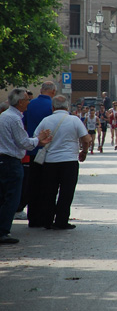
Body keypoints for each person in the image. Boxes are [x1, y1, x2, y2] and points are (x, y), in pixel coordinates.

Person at [0, 88, 52, 244]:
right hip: (11, 161)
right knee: (12, 198)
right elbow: (23, 142)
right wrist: (38, 139)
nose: (29, 102)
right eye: (27, 100)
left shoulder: (4, 116)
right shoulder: (14, 119)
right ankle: (3, 230)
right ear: (20, 102)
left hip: (4, 160)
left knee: (3, 197)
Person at [33, 95, 91, 230]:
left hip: (50, 161)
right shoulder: (74, 120)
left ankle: (47, 220)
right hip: (69, 161)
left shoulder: (46, 120)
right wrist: (84, 152)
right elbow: (86, 139)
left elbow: (36, 138)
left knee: (49, 191)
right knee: (66, 192)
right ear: (67, 107)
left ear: (53, 107)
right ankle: (61, 221)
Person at [21, 81, 56, 224]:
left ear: (41, 90)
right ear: (53, 92)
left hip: (32, 149)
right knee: (48, 185)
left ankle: (33, 217)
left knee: (33, 183)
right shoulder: (52, 106)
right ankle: (45, 216)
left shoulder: (30, 104)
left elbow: (24, 124)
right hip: (48, 151)